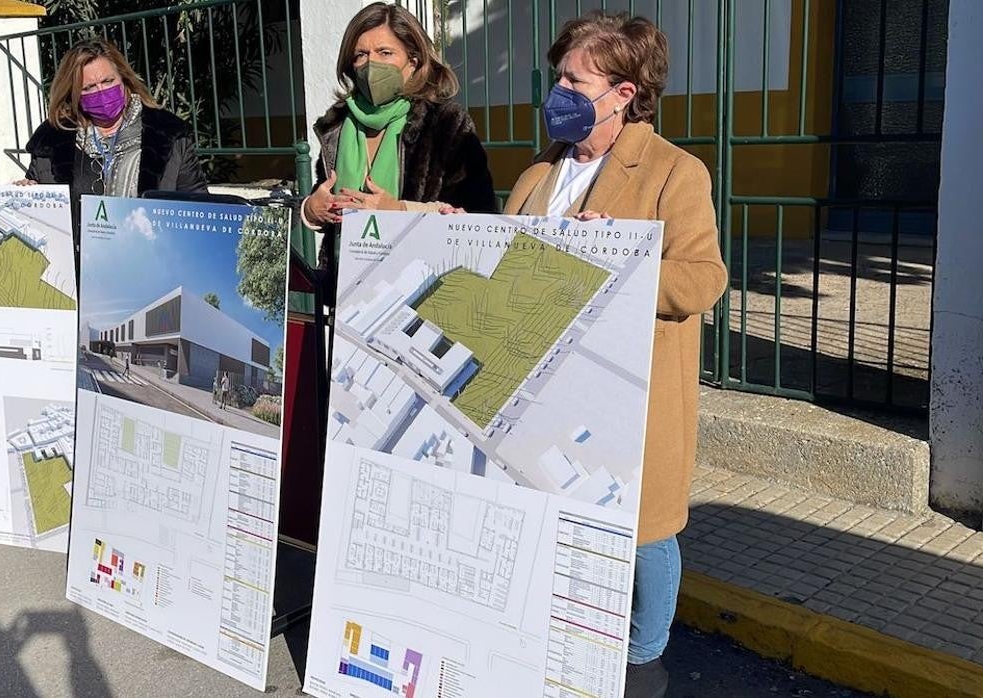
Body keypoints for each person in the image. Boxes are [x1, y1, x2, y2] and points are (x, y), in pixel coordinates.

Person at [505, 12, 727, 698]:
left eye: (576, 79)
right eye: (559, 76)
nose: (559, 90)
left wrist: (617, 261)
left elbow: (702, 279)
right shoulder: (540, 171)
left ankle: (645, 655)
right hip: (540, 385)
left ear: (625, 92)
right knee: (556, 514)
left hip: (630, 390)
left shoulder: (674, 173)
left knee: (643, 533)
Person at [302, 2, 497, 299]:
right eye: (361, 55)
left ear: (414, 61)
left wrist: (397, 212)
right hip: (346, 298)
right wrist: (312, 210)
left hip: (421, 296)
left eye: (385, 53)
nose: (371, 64)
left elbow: (476, 219)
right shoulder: (338, 125)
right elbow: (322, 192)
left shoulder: (445, 124)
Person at [18, 39, 209, 267]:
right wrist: (27, 196)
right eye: (88, 88)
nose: (101, 91)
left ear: (123, 79)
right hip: (78, 276)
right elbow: (41, 212)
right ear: (73, 93)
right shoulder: (50, 142)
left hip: (154, 269)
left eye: (108, 81)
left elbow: (200, 208)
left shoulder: (169, 135)